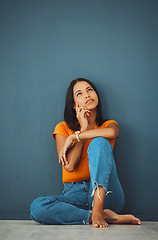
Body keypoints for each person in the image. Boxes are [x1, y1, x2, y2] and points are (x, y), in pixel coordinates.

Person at [30, 78, 141, 228]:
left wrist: (76, 136)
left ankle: (97, 210)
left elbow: (113, 132)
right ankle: (97, 216)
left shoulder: (107, 125)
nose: (87, 95)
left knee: (99, 141)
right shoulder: (63, 128)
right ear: (73, 104)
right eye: (80, 93)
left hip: (107, 193)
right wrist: (84, 129)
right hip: (74, 194)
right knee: (37, 207)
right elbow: (69, 166)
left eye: (90, 90)